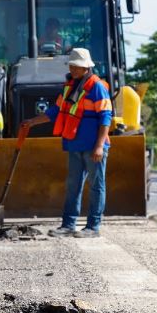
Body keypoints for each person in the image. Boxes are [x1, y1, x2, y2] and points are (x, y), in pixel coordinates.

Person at [21, 48, 112, 238]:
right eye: (71, 65)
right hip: (74, 144)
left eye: (77, 66)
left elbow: (105, 118)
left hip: (93, 147)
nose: (73, 69)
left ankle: (93, 227)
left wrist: (98, 146)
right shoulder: (69, 86)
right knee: (73, 186)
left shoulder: (97, 87)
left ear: (87, 67)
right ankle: (68, 225)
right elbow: (56, 111)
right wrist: (32, 122)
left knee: (96, 186)